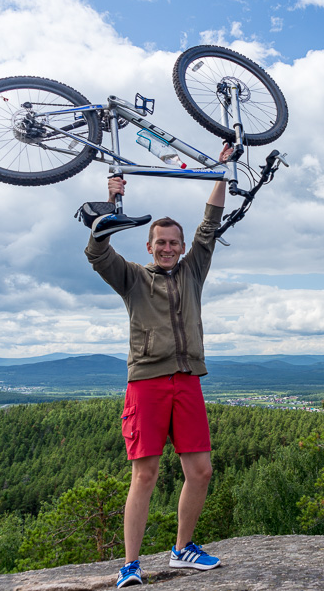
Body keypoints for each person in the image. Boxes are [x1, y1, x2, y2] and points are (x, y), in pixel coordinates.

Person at [83, 147, 231, 588]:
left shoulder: (192, 271)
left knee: (200, 470)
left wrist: (220, 172)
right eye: (160, 243)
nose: (167, 248)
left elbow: (210, 226)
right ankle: (130, 565)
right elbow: (97, 252)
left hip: (187, 381)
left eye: (174, 243)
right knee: (145, 474)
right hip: (147, 382)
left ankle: (183, 549)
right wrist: (110, 206)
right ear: (149, 247)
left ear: (181, 248)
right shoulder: (132, 278)